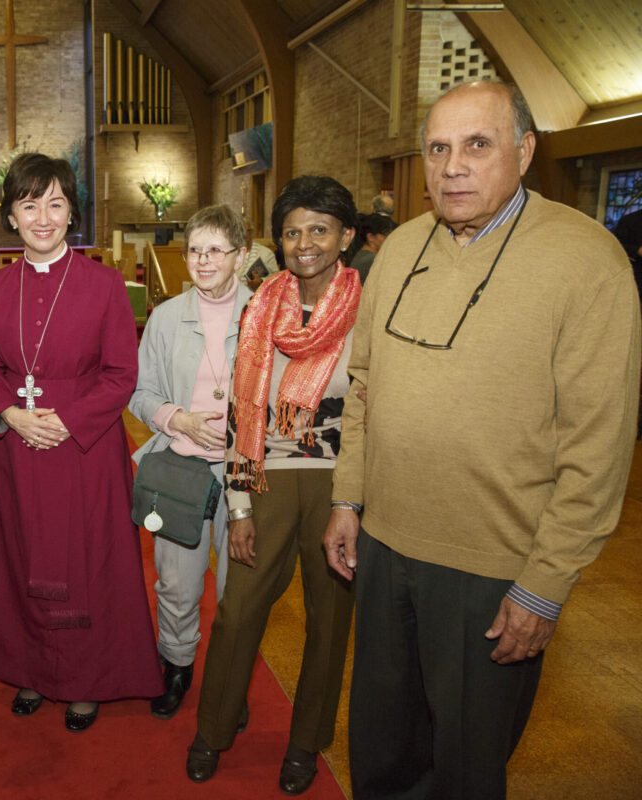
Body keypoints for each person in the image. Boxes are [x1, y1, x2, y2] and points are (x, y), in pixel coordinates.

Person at [323, 81, 640, 799]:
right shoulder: (401, 247)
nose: (453, 166)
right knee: (381, 745)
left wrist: (545, 585)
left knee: (465, 763)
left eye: (477, 145)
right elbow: (364, 386)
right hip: (385, 547)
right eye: (438, 148)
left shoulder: (586, 259)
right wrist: (347, 499)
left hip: (493, 567)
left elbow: (598, 445)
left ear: (524, 152)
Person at [185, 176, 360, 794]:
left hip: (339, 486)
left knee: (328, 623)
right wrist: (238, 506)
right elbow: (242, 409)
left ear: (346, 236)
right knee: (237, 614)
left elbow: (371, 411)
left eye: (319, 229)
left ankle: (306, 743)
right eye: (291, 232)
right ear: (278, 241)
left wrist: (353, 500)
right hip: (266, 478)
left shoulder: (366, 312)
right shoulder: (261, 308)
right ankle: (212, 730)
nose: (304, 243)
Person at [0, 152, 163, 732]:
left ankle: (87, 679)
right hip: (16, 449)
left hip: (85, 448)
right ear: (11, 215)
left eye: (55, 204)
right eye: (29, 205)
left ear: (71, 213)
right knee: (21, 556)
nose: (43, 218)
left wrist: (66, 420)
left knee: (90, 562)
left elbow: (120, 372)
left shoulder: (105, 284)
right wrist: (11, 412)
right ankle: (31, 669)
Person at [129, 204, 252, 720]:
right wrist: (177, 418)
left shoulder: (263, 313)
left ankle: (230, 682)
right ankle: (176, 666)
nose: (203, 261)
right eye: (195, 250)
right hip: (181, 469)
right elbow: (140, 393)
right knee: (177, 584)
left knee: (237, 590)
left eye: (215, 250)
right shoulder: (165, 317)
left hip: (246, 475)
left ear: (240, 256)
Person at [349, 213, 398, 284]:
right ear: (371, 237)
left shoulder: (363, 255)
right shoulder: (371, 259)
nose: (388, 239)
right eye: (385, 235)